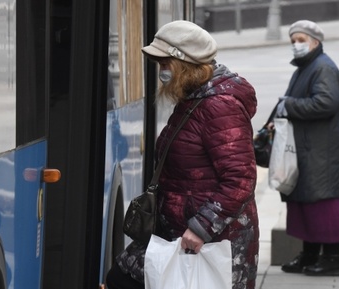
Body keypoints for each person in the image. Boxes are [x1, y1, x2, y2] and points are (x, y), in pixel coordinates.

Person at [106, 20, 259, 289]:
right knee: (121, 277)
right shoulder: (196, 99)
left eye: (166, 64)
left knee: (123, 280)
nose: (162, 72)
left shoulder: (219, 106)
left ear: (184, 65)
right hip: (179, 232)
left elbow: (240, 179)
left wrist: (201, 228)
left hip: (211, 239)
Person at [273, 20, 339, 276]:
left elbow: (326, 102)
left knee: (325, 206)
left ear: (315, 42)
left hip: (324, 153)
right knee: (307, 205)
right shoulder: (308, 66)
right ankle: (309, 255)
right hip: (311, 149)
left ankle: (332, 260)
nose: (296, 45)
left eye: (301, 40)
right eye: (293, 41)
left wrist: (289, 105)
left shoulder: (322, 67)